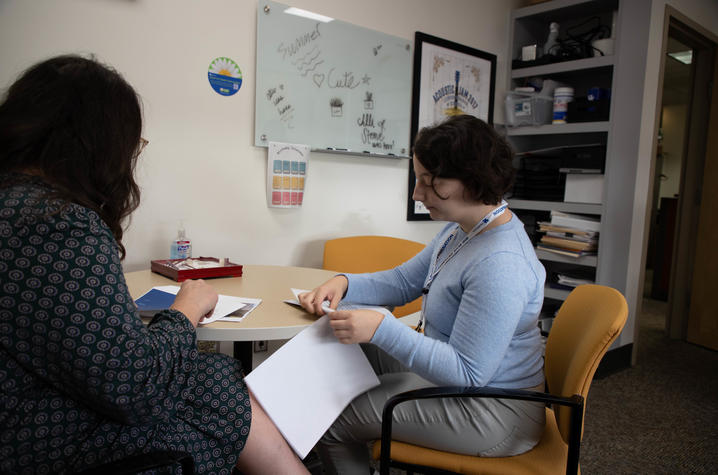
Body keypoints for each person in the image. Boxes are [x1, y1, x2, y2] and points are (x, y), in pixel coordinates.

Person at [0, 55, 308, 474]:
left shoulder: (15, 203)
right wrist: (185, 310)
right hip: (40, 440)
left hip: (26, 420)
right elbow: (137, 387)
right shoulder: (57, 222)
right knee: (217, 381)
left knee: (211, 376)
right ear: (99, 142)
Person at [299, 114, 547, 474]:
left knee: (333, 420)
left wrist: (382, 328)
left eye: (431, 183)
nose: (418, 194)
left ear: (474, 180)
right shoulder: (463, 229)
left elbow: (468, 372)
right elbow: (403, 282)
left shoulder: (501, 264)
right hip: (459, 386)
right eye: (418, 179)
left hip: (494, 411)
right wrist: (344, 282)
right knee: (342, 345)